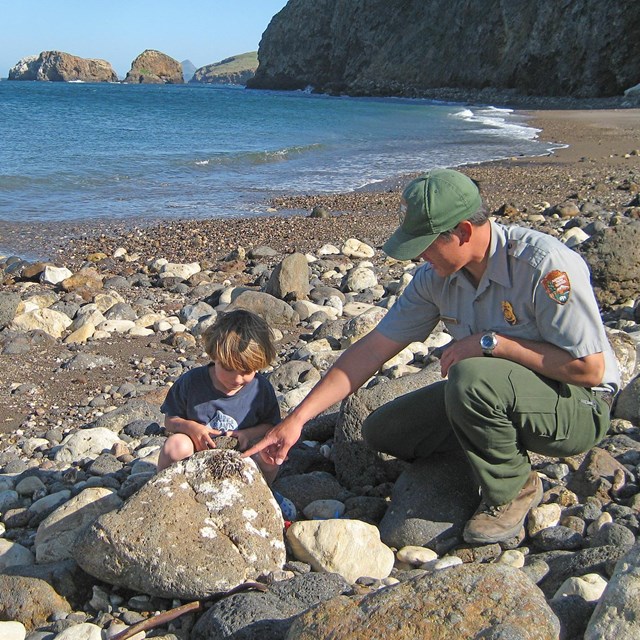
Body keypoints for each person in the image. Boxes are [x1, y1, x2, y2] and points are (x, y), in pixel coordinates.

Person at [244, 168, 620, 544]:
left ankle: (514, 488)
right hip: (497, 393)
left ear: (464, 232)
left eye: (425, 243)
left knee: (472, 376)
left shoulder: (544, 266)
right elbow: (374, 348)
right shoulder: (436, 278)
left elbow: (589, 369)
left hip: (579, 405)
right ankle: (486, 448)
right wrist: (296, 420)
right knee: (384, 431)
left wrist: (492, 344)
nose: (419, 255)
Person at [158, 309, 295, 518]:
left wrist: (248, 435)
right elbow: (170, 420)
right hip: (198, 458)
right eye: (229, 369)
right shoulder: (192, 382)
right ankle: (165, 494)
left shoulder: (260, 389)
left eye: (247, 372)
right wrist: (191, 428)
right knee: (175, 445)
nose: (237, 379)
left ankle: (262, 494)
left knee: (270, 450)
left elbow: (271, 427)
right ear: (214, 356)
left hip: (244, 458)